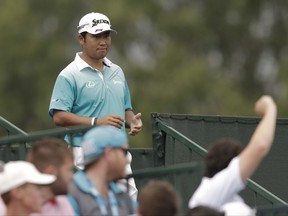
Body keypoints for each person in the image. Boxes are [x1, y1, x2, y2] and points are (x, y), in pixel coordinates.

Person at [48, 11, 141, 198]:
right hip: (83, 151)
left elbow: (125, 109)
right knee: (90, 204)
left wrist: (133, 121)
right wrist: (95, 122)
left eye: (106, 35)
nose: (103, 41)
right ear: (81, 39)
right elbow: (59, 116)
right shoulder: (69, 74)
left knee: (127, 204)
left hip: (118, 151)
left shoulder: (117, 71)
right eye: (96, 36)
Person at [188, 95, 277, 214]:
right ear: (231, 164)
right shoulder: (213, 189)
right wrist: (270, 107)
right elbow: (260, 146)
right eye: (241, 160)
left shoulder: (219, 194)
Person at [68, 126, 136, 215]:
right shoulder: (69, 195)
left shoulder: (122, 196)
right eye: (125, 152)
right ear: (108, 153)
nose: (127, 159)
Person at [27, 137, 75, 216]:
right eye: (69, 170)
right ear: (51, 172)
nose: (72, 176)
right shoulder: (26, 211)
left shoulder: (63, 201)